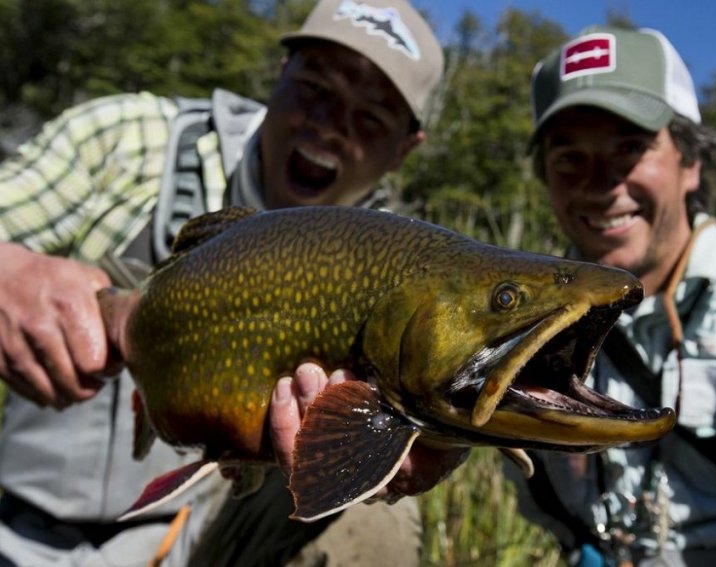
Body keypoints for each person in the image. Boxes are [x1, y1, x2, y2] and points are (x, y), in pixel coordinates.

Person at [0, 1, 466, 565]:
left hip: (200, 533)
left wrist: (433, 433)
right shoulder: (130, 140)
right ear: (281, 74)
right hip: (17, 515)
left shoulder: (414, 265)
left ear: (403, 150)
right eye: (315, 88)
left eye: (368, 117)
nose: (328, 124)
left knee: (373, 522)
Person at [507, 26, 716, 566]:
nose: (601, 183)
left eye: (629, 148)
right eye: (570, 157)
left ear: (691, 162)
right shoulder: (512, 325)